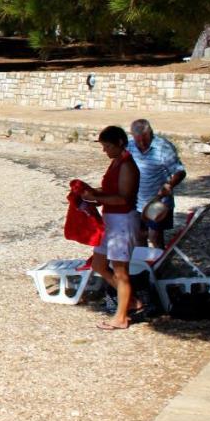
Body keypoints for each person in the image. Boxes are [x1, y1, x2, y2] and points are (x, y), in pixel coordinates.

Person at [80, 125, 142, 330]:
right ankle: (131, 301)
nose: (105, 150)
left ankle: (121, 317)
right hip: (110, 220)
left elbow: (123, 197)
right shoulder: (116, 162)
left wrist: (96, 196)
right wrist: (90, 193)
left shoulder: (127, 166)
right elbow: (109, 191)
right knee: (98, 264)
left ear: (120, 143)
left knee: (120, 271)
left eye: (107, 146)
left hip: (122, 221)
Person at [128, 118, 186, 248]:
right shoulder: (129, 146)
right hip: (136, 201)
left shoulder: (163, 147)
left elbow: (180, 171)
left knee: (155, 237)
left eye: (145, 139)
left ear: (151, 133)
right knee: (139, 236)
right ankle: (143, 266)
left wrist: (169, 185)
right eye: (138, 140)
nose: (142, 143)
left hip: (158, 202)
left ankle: (160, 266)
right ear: (133, 136)